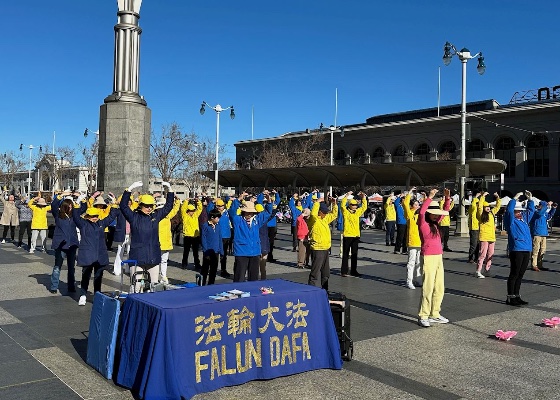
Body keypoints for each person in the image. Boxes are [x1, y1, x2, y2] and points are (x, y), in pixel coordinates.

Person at [119, 181, 175, 290]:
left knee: (153, 287)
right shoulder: (133, 217)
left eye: (151, 206)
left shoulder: (156, 216)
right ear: (140, 206)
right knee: (136, 287)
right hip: (138, 257)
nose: (149, 208)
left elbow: (168, 207)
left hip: (153, 256)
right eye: (146, 206)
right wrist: (129, 190)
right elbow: (123, 206)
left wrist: (170, 189)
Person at [73, 203, 119, 306]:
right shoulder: (83, 224)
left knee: (98, 276)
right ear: (87, 216)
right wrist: (78, 205)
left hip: (100, 254)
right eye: (92, 216)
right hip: (88, 255)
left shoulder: (101, 223)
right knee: (86, 275)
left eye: (96, 216)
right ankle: (83, 295)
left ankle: (97, 295)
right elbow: (75, 216)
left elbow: (111, 217)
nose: (95, 218)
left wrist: (114, 206)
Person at [417, 188, 451, 328]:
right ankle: (423, 315)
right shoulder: (423, 224)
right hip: (428, 257)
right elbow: (421, 212)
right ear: (429, 214)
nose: (437, 216)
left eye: (438, 214)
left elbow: (445, 212)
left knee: (439, 287)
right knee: (428, 287)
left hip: (438, 257)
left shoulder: (436, 224)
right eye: (434, 214)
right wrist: (430, 197)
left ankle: (434, 314)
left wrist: (447, 199)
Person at [228, 193, 272, 282]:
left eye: (251, 212)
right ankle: (238, 292)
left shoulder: (256, 220)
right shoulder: (238, 220)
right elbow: (232, 212)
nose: (249, 214)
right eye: (247, 212)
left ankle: (252, 293)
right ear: (243, 212)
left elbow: (267, 213)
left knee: (254, 278)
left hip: (255, 252)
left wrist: (269, 202)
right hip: (241, 252)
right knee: (239, 277)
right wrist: (238, 199)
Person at [504, 191, 534, 306]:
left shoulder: (524, 220)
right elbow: (509, 212)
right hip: (517, 249)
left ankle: (516, 295)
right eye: (518, 211)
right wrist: (513, 200)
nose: (520, 213)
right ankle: (510, 297)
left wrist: (530, 200)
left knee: (521, 274)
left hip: (526, 248)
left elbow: (530, 212)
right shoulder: (511, 221)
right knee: (514, 273)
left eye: (520, 211)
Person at [50, 193, 80, 294]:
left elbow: (83, 208)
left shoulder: (74, 217)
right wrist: (62, 195)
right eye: (69, 206)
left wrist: (79, 198)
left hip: (72, 244)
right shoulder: (58, 216)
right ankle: (54, 286)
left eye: (72, 207)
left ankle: (71, 286)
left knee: (71, 267)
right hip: (60, 244)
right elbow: (54, 205)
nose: (71, 208)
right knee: (57, 266)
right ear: (64, 207)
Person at [307, 196, 338, 289]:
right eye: (323, 212)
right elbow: (312, 214)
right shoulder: (313, 220)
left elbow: (334, 215)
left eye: (326, 212)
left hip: (325, 248)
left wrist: (334, 204)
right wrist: (317, 202)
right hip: (317, 248)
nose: (325, 214)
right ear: (319, 211)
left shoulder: (325, 219)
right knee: (315, 272)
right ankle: (311, 290)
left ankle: (325, 290)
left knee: (326, 272)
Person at [340, 191, 368, 277]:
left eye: (356, 205)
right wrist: (347, 195)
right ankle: (344, 271)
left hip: (356, 235)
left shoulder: (358, 212)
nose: (355, 206)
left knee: (354, 254)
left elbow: (364, 207)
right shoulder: (346, 212)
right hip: (348, 235)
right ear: (349, 205)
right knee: (345, 254)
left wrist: (363, 198)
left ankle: (353, 271)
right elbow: (342, 205)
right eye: (353, 205)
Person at [475, 192, 501, 278]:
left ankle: (487, 270)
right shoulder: (480, 215)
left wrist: (497, 198)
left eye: (489, 207)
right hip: (484, 237)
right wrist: (482, 197)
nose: (488, 208)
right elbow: (479, 207)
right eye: (486, 207)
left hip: (492, 237)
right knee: (482, 254)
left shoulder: (492, 213)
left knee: (490, 255)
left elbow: (498, 206)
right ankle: (478, 270)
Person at [156, 195, 181, 283]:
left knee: (164, 261)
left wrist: (177, 200)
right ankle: (155, 276)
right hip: (156, 242)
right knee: (155, 261)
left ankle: (163, 276)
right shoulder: (154, 216)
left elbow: (175, 209)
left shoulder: (167, 216)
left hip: (166, 242)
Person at [206, 198, 232, 278]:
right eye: (219, 206)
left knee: (224, 254)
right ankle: (211, 268)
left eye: (222, 205)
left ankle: (223, 270)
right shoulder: (215, 214)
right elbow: (208, 210)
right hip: (217, 236)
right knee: (214, 253)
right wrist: (212, 202)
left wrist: (232, 200)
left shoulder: (227, 212)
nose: (221, 207)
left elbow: (234, 209)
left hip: (226, 236)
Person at [529, 199, 557, 271]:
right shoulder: (536, 212)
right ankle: (534, 265)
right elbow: (540, 213)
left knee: (542, 250)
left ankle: (540, 264)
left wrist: (553, 208)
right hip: (537, 233)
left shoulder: (544, 213)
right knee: (536, 249)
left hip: (544, 233)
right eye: (543, 206)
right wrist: (547, 206)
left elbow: (549, 216)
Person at [402, 188, 422, 289]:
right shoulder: (409, 213)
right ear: (412, 206)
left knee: (419, 262)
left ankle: (417, 279)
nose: (418, 206)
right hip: (412, 241)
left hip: (420, 241)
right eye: (416, 204)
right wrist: (409, 193)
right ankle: (409, 281)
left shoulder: (420, 214)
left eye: (418, 204)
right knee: (411, 262)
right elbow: (405, 203)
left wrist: (426, 197)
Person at [200, 209, 223, 285]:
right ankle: (202, 284)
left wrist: (221, 251)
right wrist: (205, 251)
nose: (218, 219)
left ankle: (211, 284)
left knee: (213, 269)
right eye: (217, 218)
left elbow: (220, 239)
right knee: (205, 269)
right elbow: (203, 239)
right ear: (212, 217)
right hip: (208, 251)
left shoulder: (218, 226)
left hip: (215, 251)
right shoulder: (205, 226)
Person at [180, 197, 203, 270]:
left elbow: (200, 208)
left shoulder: (195, 215)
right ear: (188, 211)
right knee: (186, 251)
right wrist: (186, 201)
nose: (192, 212)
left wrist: (198, 201)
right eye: (191, 210)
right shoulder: (185, 216)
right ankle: (184, 264)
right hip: (187, 236)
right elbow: (183, 209)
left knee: (196, 252)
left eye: (193, 210)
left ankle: (197, 264)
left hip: (195, 236)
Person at [467, 191, 481, 263]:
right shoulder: (472, 209)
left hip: (478, 227)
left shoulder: (477, 209)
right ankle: (471, 258)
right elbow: (473, 205)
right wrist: (475, 198)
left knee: (478, 244)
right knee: (473, 244)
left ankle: (476, 257)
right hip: (474, 228)